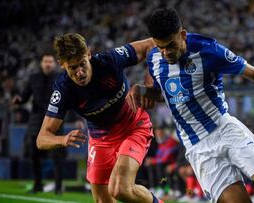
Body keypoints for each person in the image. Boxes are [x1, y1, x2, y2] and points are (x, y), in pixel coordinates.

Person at [127, 8, 254, 203]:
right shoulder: (154, 59)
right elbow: (166, 94)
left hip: (224, 129)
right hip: (196, 146)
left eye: (170, 45)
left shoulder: (209, 50)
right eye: (161, 47)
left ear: (182, 35)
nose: (166, 52)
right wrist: (142, 90)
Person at [36, 33, 164, 203]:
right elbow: (42, 138)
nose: (80, 73)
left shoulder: (109, 60)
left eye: (82, 64)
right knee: (102, 200)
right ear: (62, 65)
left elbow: (151, 44)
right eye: (72, 68)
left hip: (133, 126)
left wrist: (150, 84)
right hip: (100, 139)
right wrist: (62, 139)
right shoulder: (63, 90)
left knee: (120, 188)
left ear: (89, 54)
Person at [11, 53, 66, 194]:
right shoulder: (33, 78)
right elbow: (25, 96)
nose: (48, 64)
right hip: (36, 120)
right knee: (33, 153)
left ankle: (58, 187)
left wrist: (77, 118)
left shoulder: (61, 77)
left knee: (58, 156)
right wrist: (19, 100)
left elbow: (70, 97)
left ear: (54, 63)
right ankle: (37, 184)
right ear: (41, 63)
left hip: (56, 119)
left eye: (50, 61)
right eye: (45, 61)